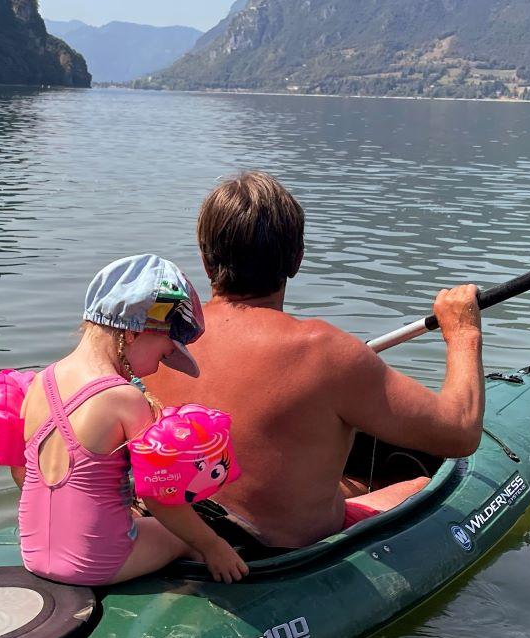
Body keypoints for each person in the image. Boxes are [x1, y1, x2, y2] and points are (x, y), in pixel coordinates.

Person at [150, 172, 483, 550]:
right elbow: (461, 432)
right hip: (279, 549)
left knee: (345, 483)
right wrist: (463, 333)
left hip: (177, 532)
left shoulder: (161, 338)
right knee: (422, 486)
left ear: (205, 261)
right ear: (297, 259)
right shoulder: (325, 351)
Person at [17, 255, 249, 586]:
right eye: (165, 351)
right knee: (190, 536)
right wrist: (214, 547)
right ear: (132, 333)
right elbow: (158, 496)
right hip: (96, 564)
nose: (158, 367)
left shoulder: (39, 382)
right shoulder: (124, 398)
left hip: (33, 553)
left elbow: (22, 474)